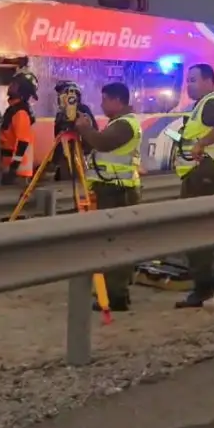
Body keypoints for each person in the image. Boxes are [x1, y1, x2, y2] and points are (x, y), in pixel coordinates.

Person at [74, 82, 142, 312]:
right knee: (113, 242)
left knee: (116, 244)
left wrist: (85, 129)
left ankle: (116, 295)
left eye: (104, 100)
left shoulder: (125, 124)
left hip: (118, 191)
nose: (101, 105)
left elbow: (103, 143)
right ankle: (113, 289)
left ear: (117, 100)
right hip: (113, 188)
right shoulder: (119, 123)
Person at [173, 63, 214, 308]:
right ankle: (211, 286)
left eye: (193, 80)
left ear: (209, 81)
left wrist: (201, 144)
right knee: (209, 231)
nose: (188, 85)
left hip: (205, 174)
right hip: (206, 173)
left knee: (196, 230)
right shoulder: (201, 106)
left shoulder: (212, 102)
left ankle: (203, 290)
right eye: (187, 80)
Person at [0, 69, 38, 182]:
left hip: (17, 173)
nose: (10, 86)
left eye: (15, 84)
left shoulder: (21, 112)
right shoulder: (13, 110)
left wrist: (13, 167)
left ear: (22, 90)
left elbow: (23, 142)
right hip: (10, 169)